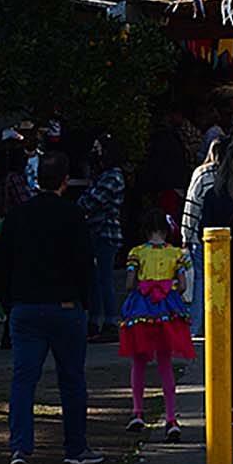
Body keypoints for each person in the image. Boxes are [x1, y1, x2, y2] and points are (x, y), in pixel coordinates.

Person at [0, 150, 103, 464]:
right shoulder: (73, 216)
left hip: (25, 306)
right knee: (72, 379)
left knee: (23, 381)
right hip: (66, 306)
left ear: (36, 178)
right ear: (65, 181)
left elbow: (1, 264)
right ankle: (75, 447)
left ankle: (19, 447)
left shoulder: (17, 216)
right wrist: (84, 302)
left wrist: (9, 304)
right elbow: (86, 264)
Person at [191, 118, 233, 426]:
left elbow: (202, 231)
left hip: (220, 267)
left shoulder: (213, 195)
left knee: (220, 333)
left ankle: (218, 395)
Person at [119, 210, 195, 440]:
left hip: (142, 308)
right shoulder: (176, 254)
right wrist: (166, 287)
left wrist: (144, 286)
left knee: (139, 361)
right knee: (165, 363)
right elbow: (183, 285)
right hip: (166, 308)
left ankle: (138, 412)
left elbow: (129, 283)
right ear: (166, 229)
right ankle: (171, 418)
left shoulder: (136, 253)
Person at [80, 133, 128, 344]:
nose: (95, 152)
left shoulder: (112, 177)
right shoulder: (104, 176)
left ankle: (109, 322)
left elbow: (90, 202)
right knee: (95, 280)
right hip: (98, 232)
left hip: (105, 232)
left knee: (103, 279)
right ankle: (95, 321)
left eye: (98, 148)